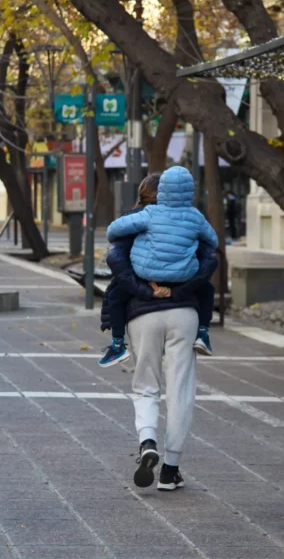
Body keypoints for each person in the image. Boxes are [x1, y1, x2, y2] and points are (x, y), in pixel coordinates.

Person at [103, 172, 218, 491]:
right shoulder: (194, 219)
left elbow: (114, 250)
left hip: (143, 312)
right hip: (185, 313)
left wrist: (145, 289)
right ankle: (170, 470)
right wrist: (179, 292)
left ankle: (147, 440)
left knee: (146, 385)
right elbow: (211, 255)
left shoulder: (141, 218)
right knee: (181, 389)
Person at [100, 166, 219, 366]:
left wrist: (146, 290)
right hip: (183, 288)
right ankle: (203, 334)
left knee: (115, 296)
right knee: (208, 290)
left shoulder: (146, 214)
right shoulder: (195, 216)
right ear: (191, 190)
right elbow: (212, 246)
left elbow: (113, 237)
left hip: (145, 280)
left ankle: (118, 344)